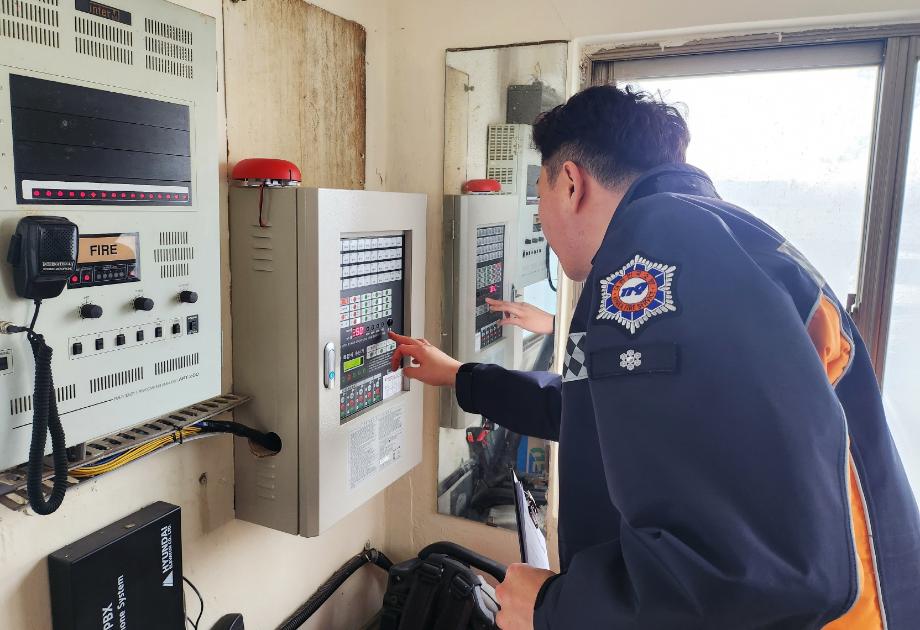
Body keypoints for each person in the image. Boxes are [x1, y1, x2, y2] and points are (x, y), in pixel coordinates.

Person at [390, 85, 920, 629]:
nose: (542, 221)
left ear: (570, 182)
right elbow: (592, 408)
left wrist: (554, 609)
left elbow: (766, 573)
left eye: (539, 195)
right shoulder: (709, 237)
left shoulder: (657, 247)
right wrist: (462, 377)